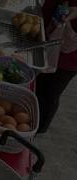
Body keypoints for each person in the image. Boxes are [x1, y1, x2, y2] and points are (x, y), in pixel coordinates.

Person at [36, 0, 77, 133]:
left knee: (50, 92)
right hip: (50, 33)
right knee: (39, 83)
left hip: (69, 51)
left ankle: (40, 128)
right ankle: (34, 121)